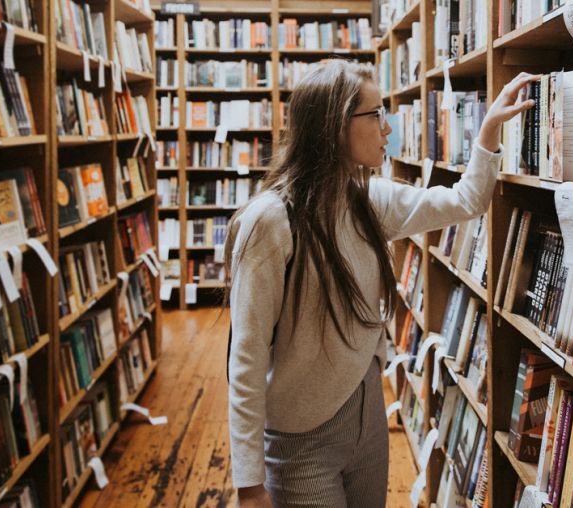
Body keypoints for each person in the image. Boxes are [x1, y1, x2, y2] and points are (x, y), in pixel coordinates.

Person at [226, 59, 538, 508]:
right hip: (300, 439)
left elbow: (465, 200)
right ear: (336, 127)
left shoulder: (370, 200)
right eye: (375, 115)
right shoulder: (271, 222)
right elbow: (247, 355)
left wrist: (487, 133)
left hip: (367, 413)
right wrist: (249, 484)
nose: (388, 127)